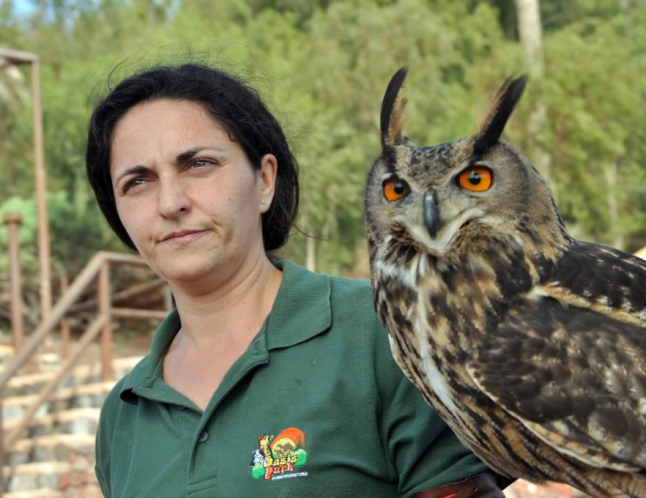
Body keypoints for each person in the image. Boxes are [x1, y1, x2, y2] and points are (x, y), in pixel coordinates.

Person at [86, 62, 512, 497]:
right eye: (137, 181)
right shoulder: (123, 416)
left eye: (199, 164)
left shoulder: (385, 332)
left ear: (265, 180)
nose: (170, 202)